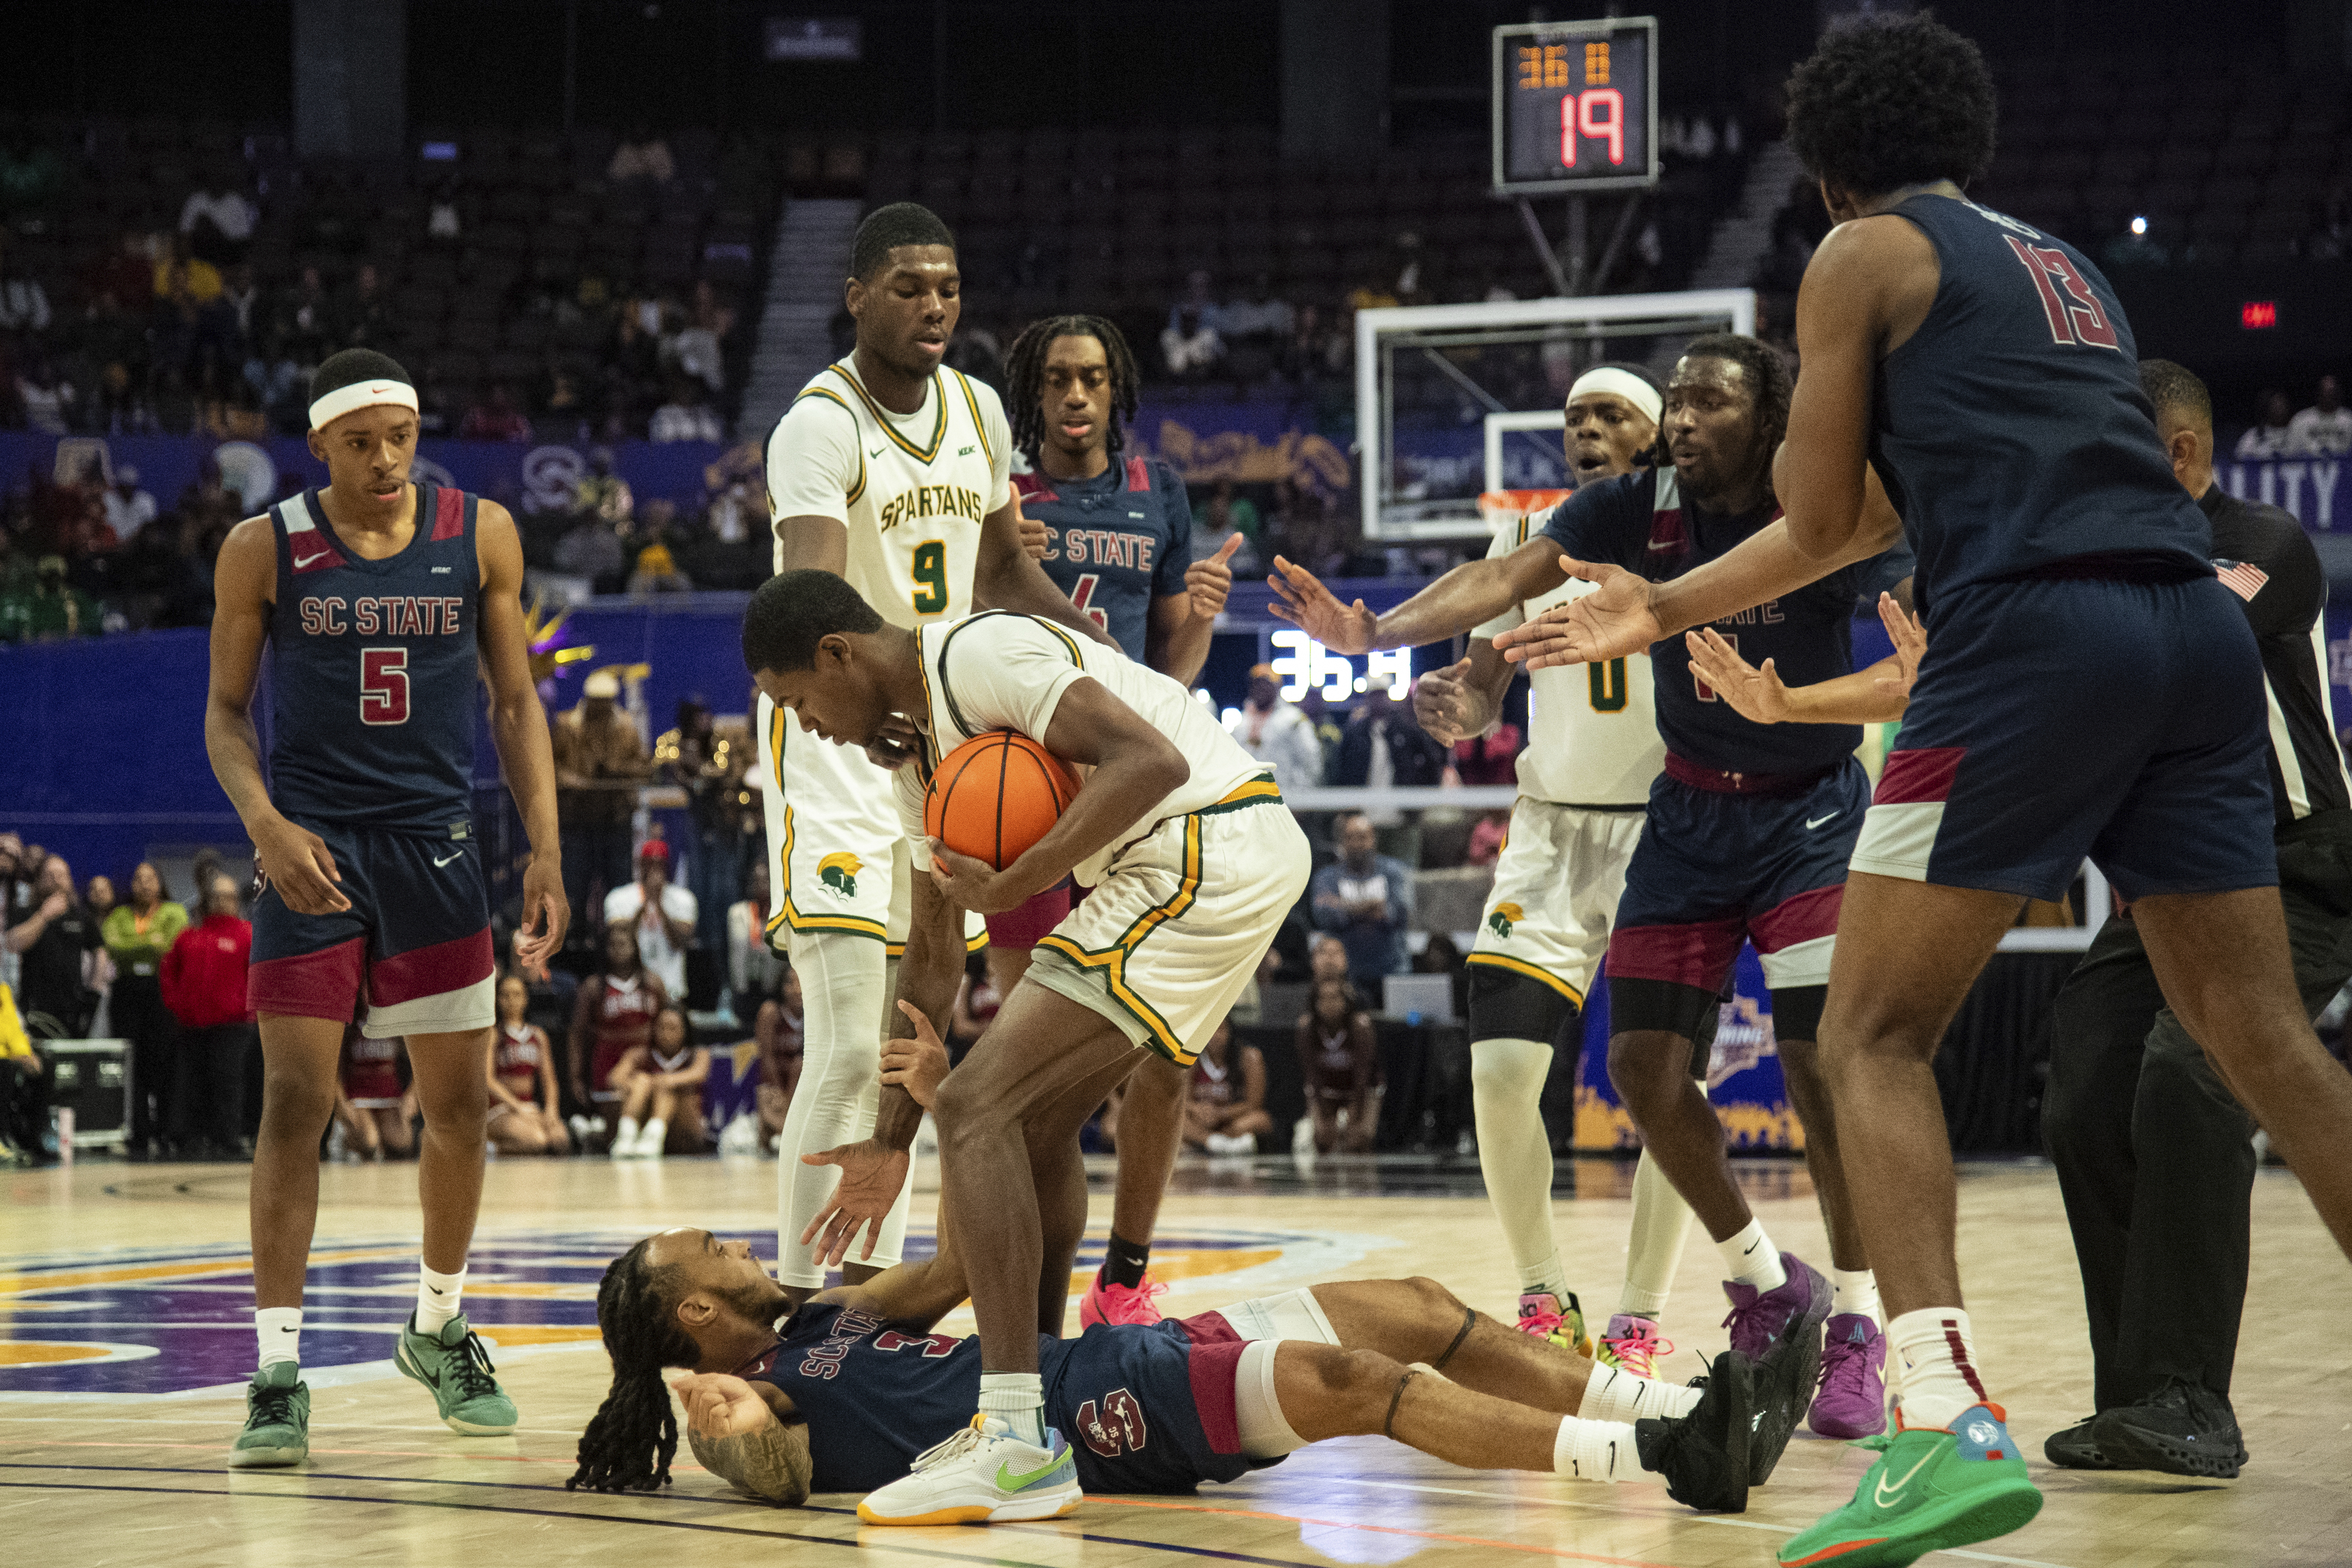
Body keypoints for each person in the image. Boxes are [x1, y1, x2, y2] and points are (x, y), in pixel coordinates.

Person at [1509, 18, 2352, 1559]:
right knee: (2267, 1041)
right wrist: (1672, 601)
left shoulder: (1860, 255)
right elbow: (1875, 512)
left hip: (2031, 636)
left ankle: (1941, 1423)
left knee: (1871, 1035)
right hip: (2186, 632)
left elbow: (1819, 512)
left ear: (1823, 161)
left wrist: (1655, 598)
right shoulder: (2063, 266)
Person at [1275, 336, 1890, 1441]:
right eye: (1579, 420)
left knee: (1812, 1068)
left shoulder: (1815, 508)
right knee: (1600, 1072)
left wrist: (1802, 707)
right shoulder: (1589, 520)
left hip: (1780, 807)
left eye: (1634, 412)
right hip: (1619, 825)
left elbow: (1903, 649)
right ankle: (1582, 1296)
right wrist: (1385, 640)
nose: (1596, 433)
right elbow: (1488, 617)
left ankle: (1782, 1318)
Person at [745, 568, 1314, 1522]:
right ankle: (1047, 1396)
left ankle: (1013, 1437)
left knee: (972, 1106)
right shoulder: (917, 759)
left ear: (839, 654)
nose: (805, 726)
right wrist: (889, 1139)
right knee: (1032, 1127)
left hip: (1206, 842)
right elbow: (930, 956)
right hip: (1189, 861)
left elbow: (1153, 763)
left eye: (796, 701)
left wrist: (1024, 877)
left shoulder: (979, 653)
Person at [203, 348, 569, 1468]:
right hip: (313, 848)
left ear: (418, 431)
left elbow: (515, 703)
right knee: (296, 1101)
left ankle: (439, 1323)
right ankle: (276, 1372)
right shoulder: (261, 547)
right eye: (359, 443)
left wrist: (545, 849)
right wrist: (266, 827)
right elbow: (225, 717)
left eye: (399, 436)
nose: (383, 459)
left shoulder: (483, 533)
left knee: (460, 1109)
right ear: (319, 447)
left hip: (437, 846)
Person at [757, 202, 1112, 1301]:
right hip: (834, 747)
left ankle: (869, 1312)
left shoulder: (977, 411)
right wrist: (890, 679)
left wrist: (1081, 641)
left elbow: (1001, 571)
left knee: (914, 1039)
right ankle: (808, 1309)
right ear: (856, 296)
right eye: (908, 287)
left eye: (948, 288)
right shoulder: (820, 425)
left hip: (937, 746)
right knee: (857, 1041)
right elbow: (810, 601)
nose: (933, 307)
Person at [569, 1220, 1793, 1519]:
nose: (740, 1247)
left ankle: (1688, 1405)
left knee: (1416, 1308)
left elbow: (986, 1249)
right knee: (1363, 1385)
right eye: (716, 1252)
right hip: (1107, 1416)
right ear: (694, 1310)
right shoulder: (752, 1393)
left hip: (1121, 1350)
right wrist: (693, 1408)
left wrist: (963, 1103)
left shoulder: (829, 1309)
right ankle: (1672, 1460)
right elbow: (766, 1471)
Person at [999, 312, 1244, 1326]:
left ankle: (1127, 1278)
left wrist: (1202, 612)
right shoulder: (1000, 496)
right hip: (1028, 783)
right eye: (1057, 379)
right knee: (1030, 1063)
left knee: (1167, 1051)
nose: (1075, 396)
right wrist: (1002, 558)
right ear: (1034, 393)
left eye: (1093, 378)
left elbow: (1169, 673)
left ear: (1117, 390)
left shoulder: (1160, 495)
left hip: (1136, 790)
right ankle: (1023, 1281)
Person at [159, 872, 254, 1158]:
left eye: (228, 897)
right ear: (208, 900)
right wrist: (178, 1005)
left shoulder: (248, 935)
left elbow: (260, 977)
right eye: (218, 896)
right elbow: (168, 972)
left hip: (232, 1027)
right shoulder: (190, 937)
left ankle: (228, 1140)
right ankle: (190, 1139)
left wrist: (246, 1008)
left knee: (228, 1084)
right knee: (190, 1085)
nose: (223, 902)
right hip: (191, 1026)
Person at [103, 860, 189, 1158]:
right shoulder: (119, 915)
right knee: (133, 1066)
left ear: (160, 882)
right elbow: (113, 947)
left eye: (150, 878)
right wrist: (149, 943)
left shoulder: (174, 912)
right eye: (138, 879)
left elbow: (171, 945)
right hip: (127, 995)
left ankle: (167, 1133)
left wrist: (137, 944)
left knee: (164, 1064)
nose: (144, 884)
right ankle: (138, 1136)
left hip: (160, 992)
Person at [553, 672, 652, 923]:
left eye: (606, 701)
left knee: (619, 892)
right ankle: (571, 952)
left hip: (615, 821)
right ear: (587, 700)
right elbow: (549, 768)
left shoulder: (626, 728)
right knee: (574, 891)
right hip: (578, 822)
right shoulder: (567, 726)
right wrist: (576, 782)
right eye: (596, 701)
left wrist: (616, 770)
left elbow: (643, 768)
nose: (601, 707)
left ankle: (620, 950)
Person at [568, 921, 670, 1143]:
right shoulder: (594, 987)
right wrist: (576, 1076)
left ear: (635, 947)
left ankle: (602, 1133)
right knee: (615, 1121)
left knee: (648, 1099)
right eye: (613, 945)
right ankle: (605, 1132)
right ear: (605, 949)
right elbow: (577, 1034)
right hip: (608, 1064)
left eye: (624, 944)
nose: (618, 949)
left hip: (646, 1059)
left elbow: (670, 1024)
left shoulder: (653, 983)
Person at [1309, 813, 1414, 992]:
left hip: (1393, 969)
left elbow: (1401, 912)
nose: (1357, 844)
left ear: (1374, 838)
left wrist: (1344, 906)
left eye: (1363, 837)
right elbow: (1323, 915)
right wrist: (1373, 906)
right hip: (1346, 975)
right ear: (1342, 842)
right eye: (1350, 838)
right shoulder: (1326, 877)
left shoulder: (1394, 872)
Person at [6, 855, 101, 1039]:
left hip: (74, 1008)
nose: (57, 880)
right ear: (40, 880)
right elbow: (12, 943)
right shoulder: (26, 912)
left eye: (62, 875)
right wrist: (44, 915)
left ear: (69, 880)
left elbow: (100, 951)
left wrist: (93, 993)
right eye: (50, 875)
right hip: (35, 1008)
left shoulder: (81, 916)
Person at [608, 1002, 711, 1160]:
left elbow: (699, 1073)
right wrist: (641, 1086)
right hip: (643, 1123)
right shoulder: (641, 1054)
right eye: (661, 1027)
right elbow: (615, 1077)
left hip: (684, 1130)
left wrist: (664, 1081)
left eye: (672, 1028)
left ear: (685, 1030)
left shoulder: (697, 1055)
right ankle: (627, 1135)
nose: (666, 1034)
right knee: (642, 1081)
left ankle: (653, 1137)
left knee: (665, 1089)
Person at [487, 972, 569, 1156]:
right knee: (537, 1141)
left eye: (517, 994)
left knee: (560, 1140)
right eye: (505, 995)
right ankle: (490, 1148)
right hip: (500, 1110)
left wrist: (551, 1111)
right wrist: (517, 1106)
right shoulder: (493, 1035)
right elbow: (488, 1080)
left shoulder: (537, 1035)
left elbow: (550, 1081)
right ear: (497, 1000)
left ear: (525, 999)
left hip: (529, 1107)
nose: (511, 1000)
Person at [603, 840, 697, 1001]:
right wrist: (646, 901)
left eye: (660, 864)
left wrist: (659, 905)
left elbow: (681, 942)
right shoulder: (619, 898)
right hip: (632, 989)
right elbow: (619, 940)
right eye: (649, 863)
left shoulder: (683, 899)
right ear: (640, 865)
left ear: (668, 867)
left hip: (672, 989)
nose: (654, 869)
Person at [1297, 979, 1380, 1154]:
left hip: (1362, 1091)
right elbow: (1311, 1075)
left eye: (1335, 998)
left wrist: (1356, 1113)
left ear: (1347, 1001)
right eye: (1324, 999)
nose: (1330, 1005)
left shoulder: (1360, 1028)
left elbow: (1365, 1076)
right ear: (1315, 1003)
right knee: (1322, 1136)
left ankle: (1363, 1176)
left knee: (1358, 1137)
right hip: (1327, 1092)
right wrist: (1322, 1116)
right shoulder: (1307, 1029)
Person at [1226, 664, 1323, 795]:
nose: (1261, 689)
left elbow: (1311, 759)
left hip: (1288, 798)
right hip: (1250, 799)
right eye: (1257, 684)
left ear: (1276, 687)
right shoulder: (1241, 723)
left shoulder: (1292, 719)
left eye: (1267, 684)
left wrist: (1302, 796)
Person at [1179, 1017, 1272, 1153]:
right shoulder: (1190, 1060)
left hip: (1233, 1121)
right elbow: (1183, 1102)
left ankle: (1216, 1143)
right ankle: (1214, 1143)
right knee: (1178, 1121)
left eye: (1220, 1030)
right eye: (1210, 1031)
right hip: (1202, 1123)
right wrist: (1198, 1110)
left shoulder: (1249, 1057)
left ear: (1230, 1031)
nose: (1215, 1036)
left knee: (1260, 1120)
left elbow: (1254, 1104)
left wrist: (1222, 1114)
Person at [335, 1027, 415, 1160]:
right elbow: (333, 1066)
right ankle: (343, 1138)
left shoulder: (395, 1016)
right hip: (357, 1097)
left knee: (401, 1144)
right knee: (369, 1142)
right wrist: (340, 1101)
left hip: (390, 1096)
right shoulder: (349, 1021)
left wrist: (412, 1094)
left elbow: (419, 1054)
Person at [755, 966, 805, 1154]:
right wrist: (781, 1095)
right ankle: (775, 1130)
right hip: (774, 1086)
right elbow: (766, 1058)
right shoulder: (771, 1012)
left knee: (799, 1065)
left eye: (801, 982)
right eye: (790, 983)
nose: (797, 989)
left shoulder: (814, 1014)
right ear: (781, 986)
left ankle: (787, 1130)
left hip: (801, 1089)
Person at [2287, 372, 2352, 457]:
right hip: (2308, 467)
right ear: (2318, 394)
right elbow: (2290, 453)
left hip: (2342, 468)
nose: (2328, 396)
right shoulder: (2301, 419)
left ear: (2339, 394)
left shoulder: (2349, 419)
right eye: (2325, 392)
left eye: (2332, 392)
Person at [2234, 390, 2295, 461]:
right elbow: (2241, 459)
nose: (2279, 411)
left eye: (2282, 406)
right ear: (2267, 409)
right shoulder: (2253, 435)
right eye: (2275, 406)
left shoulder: (2297, 432)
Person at [103, 465, 158, 542]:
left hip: (138, 545)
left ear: (135, 486)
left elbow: (151, 526)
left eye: (130, 486)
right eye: (124, 486)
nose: (127, 490)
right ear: (119, 486)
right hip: (113, 545)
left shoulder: (146, 501)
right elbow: (104, 525)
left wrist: (133, 540)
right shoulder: (108, 500)